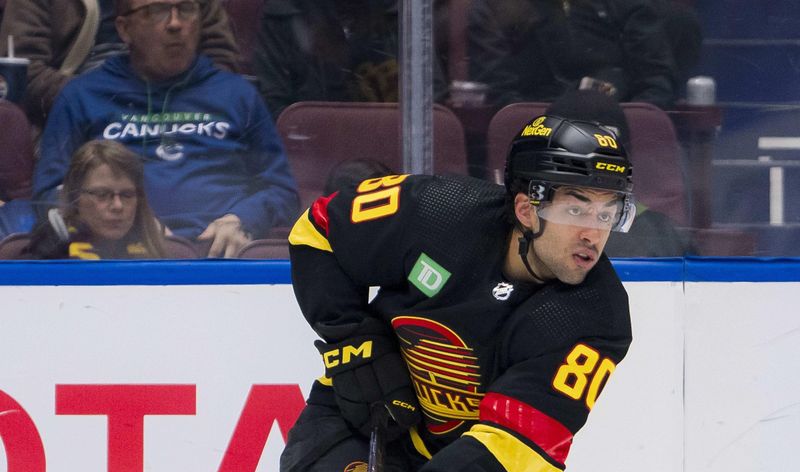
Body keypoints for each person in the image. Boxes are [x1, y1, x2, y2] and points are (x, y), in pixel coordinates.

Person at [280, 114, 635, 472]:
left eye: (607, 212)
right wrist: (352, 342)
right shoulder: (436, 211)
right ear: (527, 210)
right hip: (359, 422)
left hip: (467, 467)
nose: (593, 234)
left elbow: (518, 450)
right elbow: (318, 231)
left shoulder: (594, 319)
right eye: (576, 211)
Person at [31, 0, 299, 257]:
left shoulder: (237, 94)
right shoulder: (82, 96)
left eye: (186, 9)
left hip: (225, 252)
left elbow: (281, 189)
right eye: (157, 11)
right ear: (124, 28)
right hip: (120, 255)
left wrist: (244, 219)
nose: (175, 23)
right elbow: (51, 192)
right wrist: (132, 227)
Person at [0, 0, 240, 131]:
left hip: (181, 108)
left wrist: (176, 104)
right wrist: (104, 103)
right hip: (81, 117)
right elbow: (22, 72)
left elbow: (221, 59)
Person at [545, 88, 694, 256]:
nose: (591, 173)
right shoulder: (522, 225)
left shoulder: (660, 236)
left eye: (607, 158)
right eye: (574, 161)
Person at [253, 0, 449, 120]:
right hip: (310, 162)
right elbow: (273, 112)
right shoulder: (284, 15)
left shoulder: (403, 12)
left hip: (394, 164)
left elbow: (433, 109)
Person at [467, 0, 679, 109]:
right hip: (536, 137)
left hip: (620, 133)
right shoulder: (499, 8)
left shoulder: (627, 5)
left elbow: (656, 83)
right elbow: (500, 95)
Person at [24, 139, 166, 259]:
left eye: (127, 195)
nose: (118, 206)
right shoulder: (46, 250)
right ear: (75, 197)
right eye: (102, 194)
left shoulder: (162, 249)